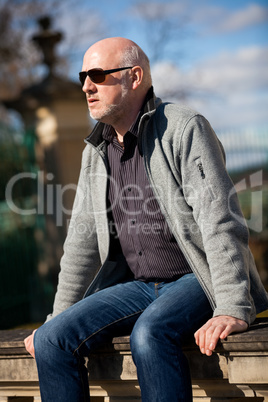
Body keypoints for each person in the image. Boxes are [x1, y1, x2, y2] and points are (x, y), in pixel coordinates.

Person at [24, 37, 268, 402]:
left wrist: (233, 306)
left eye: (97, 75)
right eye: (83, 77)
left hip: (196, 277)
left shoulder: (184, 129)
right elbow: (81, 243)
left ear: (134, 77)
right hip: (140, 285)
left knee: (149, 333)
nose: (86, 86)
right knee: (51, 339)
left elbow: (220, 221)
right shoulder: (97, 151)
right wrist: (58, 316)